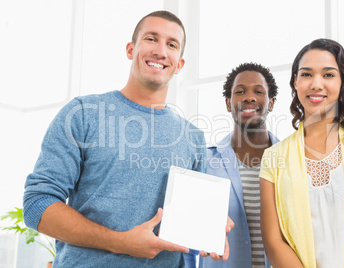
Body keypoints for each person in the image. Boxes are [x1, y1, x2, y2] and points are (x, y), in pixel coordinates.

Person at [23, 10, 233, 267]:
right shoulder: (83, 114)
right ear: (130, 49)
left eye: (171, 44)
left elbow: (188, 226)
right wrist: (119, 241)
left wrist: (208, 225)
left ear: (179, 64)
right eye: (151, 39)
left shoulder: (193, 138)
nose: (160, 51)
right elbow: (37, 204)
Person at [260, 38, 344, 268]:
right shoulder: (273, 157)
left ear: (342, 81)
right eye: (306, 74)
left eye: (328, 74)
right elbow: (274, 241)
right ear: (295, 82)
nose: (316, 84)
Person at [198, 63, 279, 268]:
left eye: (258, 92)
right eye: (240, 91)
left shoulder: (293, 161)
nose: (249, 97)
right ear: (228, 103)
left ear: (271, 103)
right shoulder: (204, 162)